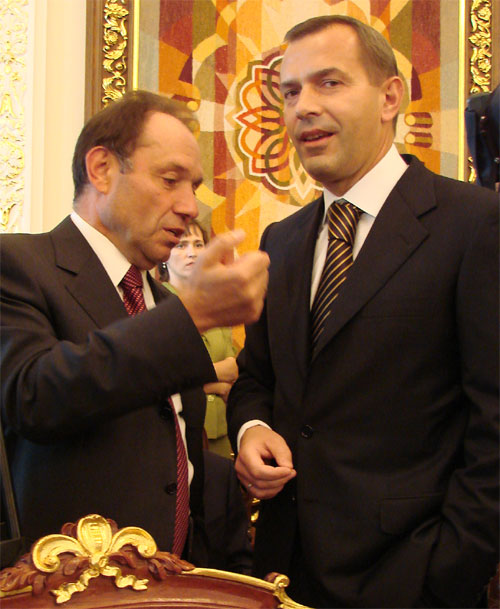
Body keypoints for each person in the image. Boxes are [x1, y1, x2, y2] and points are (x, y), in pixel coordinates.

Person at [227, 15, 499, 608]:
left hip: (412, 579)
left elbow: (494, 421)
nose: (303, 107)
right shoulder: (281, 241)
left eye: (329, 83)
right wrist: (251, 430)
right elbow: (256, 379)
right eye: (290, 92)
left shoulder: (474, 224)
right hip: (282, 575)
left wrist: (450, 572)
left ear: (389, 97)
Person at [0, 89, 269, 566]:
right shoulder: (19, 264)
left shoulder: (162, 304)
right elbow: (34, 396)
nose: (190, 206)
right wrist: (192, 315)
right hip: (68, 583)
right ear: (102, 169)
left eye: (193, 186)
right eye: (170, 180)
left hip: (173, 578)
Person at [159, 219, 238, 458]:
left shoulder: (218, 304)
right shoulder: (155, 305)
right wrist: (217, 381)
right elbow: (162, 378)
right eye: (181, 245)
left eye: (198, 244)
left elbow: (234, 368)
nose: (192, 252)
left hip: (221, 429)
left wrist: (205, 378)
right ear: (165, 255)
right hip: (177, 431)